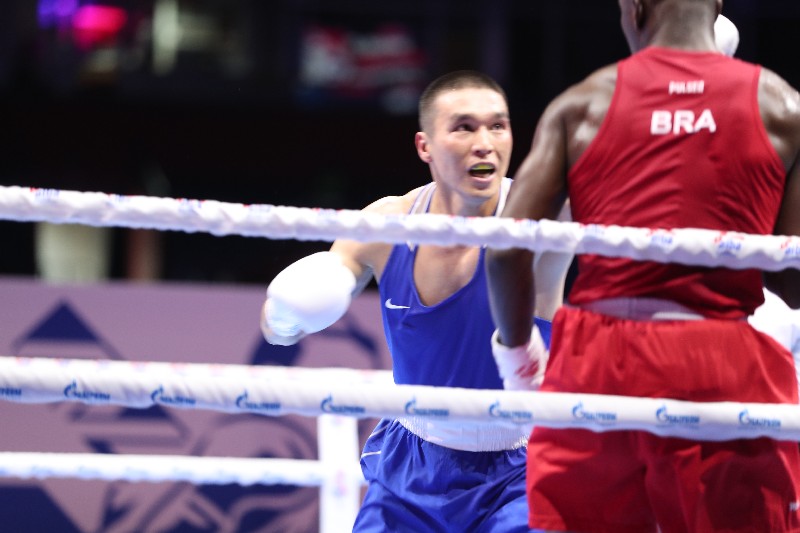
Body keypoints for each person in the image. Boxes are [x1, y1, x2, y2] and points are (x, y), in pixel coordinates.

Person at [486, 1, 800, 532]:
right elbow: (791, 277)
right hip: (720, 358)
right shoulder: (782, 106)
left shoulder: (583, 104)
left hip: (596, 361)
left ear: (634, 8)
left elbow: (504, 250)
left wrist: (519, 358)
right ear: (717, 7)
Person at [261, 70, 573, 532]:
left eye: (497, 126)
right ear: (425, 146)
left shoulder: (548, 218)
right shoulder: (387, 224)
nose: (484, 144)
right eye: (464, 127)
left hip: (519, 468)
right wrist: (285, 316)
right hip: (412, 461)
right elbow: (282, 326)